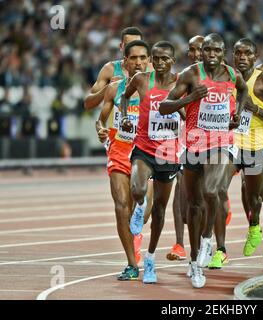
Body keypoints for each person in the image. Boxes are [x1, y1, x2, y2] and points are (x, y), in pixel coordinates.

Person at [159, 33, 248, 288]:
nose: (211, 54)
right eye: (207, 50)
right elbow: (165, 106)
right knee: (193, 207)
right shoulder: (191, 74)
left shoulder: (233, 75)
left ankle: (208, 240)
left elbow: (243, 92)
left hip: (221, 142)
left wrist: (238, 113)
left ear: (224, 53)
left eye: (216, 51)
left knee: (212, 190)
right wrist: (190, 98)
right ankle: (195, 262)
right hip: (193, 144)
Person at [207, 38, 263, 270]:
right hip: (230, 145)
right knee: (218, 189)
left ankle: (255, 225)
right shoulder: (225, 79)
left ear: (255, 56)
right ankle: (220, 250)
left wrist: (256, 108)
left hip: (255, 148)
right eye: (238, 53)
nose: (242, 57)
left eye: (247, 54)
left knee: (255, 198)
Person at [85, 26, 152, 262]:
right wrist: (108, 90)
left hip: (148, 148)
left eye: (140, 50)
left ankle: (137, 231)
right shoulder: (110, 70)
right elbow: (88, 104)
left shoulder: (154, 71)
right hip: (120, 144)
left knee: (141, 212)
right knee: (121, 205)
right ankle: (132, 261)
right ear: (122, 49)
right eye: (130, 48)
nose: (137, 58)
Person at [120, 41, 182, 284]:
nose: (160, 62)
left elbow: (189, 112)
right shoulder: (141, 80)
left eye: (165, 58)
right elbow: (124, 99)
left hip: (168, 154)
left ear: (173, 61)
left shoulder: (181, 83)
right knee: (137, 188)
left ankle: (150, 258)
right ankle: (138, 206)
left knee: (158, 212)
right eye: (156, 58)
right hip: (144, 149)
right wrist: (125, 117)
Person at [167, 35, 205, 262]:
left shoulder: (222, 77)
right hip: (187, 139)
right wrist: (186, 112)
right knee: (181, 189)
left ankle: (206, 242)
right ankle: (180, 243)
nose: (195, 54)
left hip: (216, 142)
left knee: (208, 194)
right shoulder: (186, 75)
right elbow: (173, 103)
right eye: (191, 50)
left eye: (199, 49)